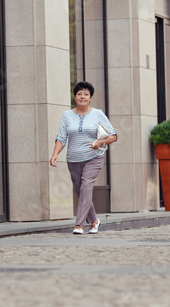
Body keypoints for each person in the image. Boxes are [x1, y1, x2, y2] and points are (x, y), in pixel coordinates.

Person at [50, 81, 117, 234]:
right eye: (79, 94)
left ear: (90, 98)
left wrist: (100, 142)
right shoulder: (67, 115)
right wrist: (55, 154)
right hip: (73, 159)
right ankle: (94, 221)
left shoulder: (98, 114)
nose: (82, 97)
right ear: (75, 97)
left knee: (86, 186)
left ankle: (79, 224)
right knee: (81, 191)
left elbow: (113, 136)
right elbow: (61, 137)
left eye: (86, 94)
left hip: (93, 157)